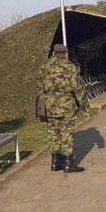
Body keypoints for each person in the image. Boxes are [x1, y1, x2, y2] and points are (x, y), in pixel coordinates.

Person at [39, 44, 87, 173]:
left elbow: (39, 84)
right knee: (66, 132)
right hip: (66, 104)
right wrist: (83, 104)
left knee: (53, 132)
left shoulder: (45, 66)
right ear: (66, 54)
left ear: (54, 53)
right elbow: (77, 86)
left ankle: (55, 162)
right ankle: (68, 163)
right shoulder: (70, 66)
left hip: (50, 104)